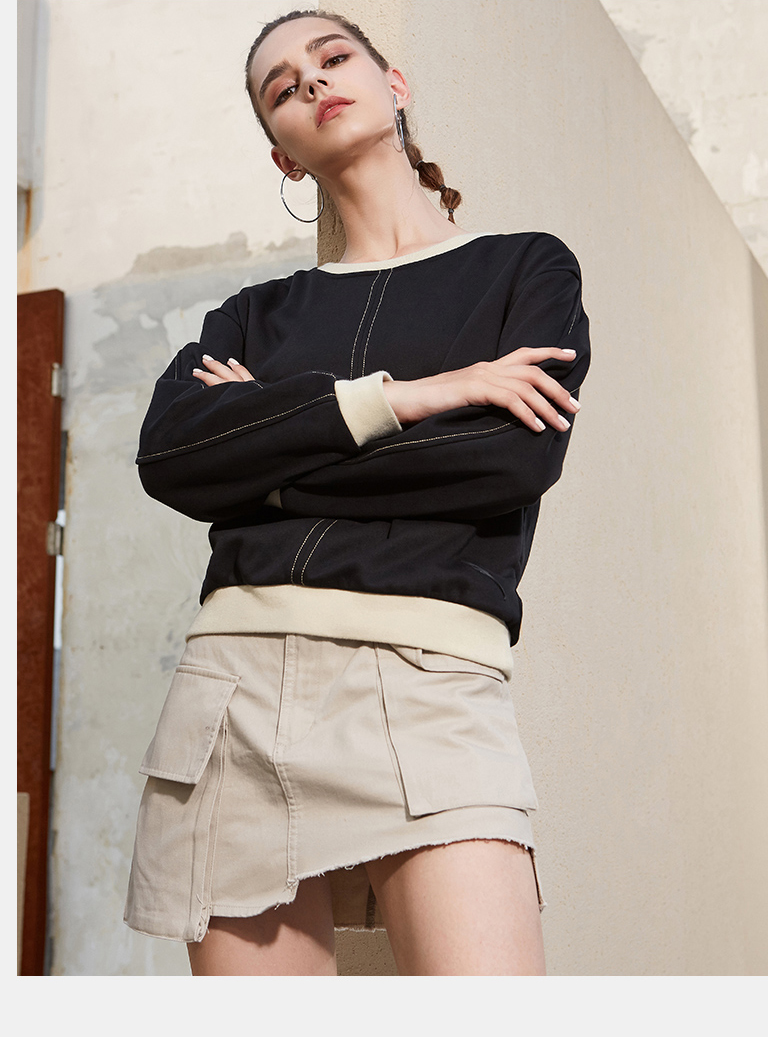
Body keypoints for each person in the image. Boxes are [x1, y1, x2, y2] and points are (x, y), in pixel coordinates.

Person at [123, 8, 591, 976]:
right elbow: (171, 457)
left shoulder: (524, 267)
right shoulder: (252, 314)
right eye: (280, 87)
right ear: (282, 155)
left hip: (429, 676)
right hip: (235, 687)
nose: (311, 81)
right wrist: (417, 396)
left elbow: (508, 459)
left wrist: (265, 468)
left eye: (331, 57)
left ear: (394, 85)